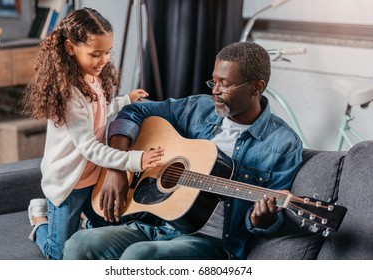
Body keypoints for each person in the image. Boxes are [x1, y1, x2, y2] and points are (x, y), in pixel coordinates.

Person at [62, 41, 303, 260]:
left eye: (225, 85)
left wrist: (260, 219)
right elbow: (134, 111)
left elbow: (271, 217)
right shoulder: (197, 108)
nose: (215, 92)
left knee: (139, 256)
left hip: (208, 243)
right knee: (79, 244)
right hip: (156, 224)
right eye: (214, 81)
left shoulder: (283, 144)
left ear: (256, 88)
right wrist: (118, 165)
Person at [21, 7, 164, 260]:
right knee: (59, 256)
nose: (104, 60)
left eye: (108, 52)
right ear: (70, 48)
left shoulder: (92, 78)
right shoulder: (69, 95)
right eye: (96, 54)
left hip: (92, 178)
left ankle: (77, 222)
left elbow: (100, 112)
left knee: (100, 235)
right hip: (69, 184)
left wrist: (125, 100)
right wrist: (135, 159)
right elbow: (90, 147)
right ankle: (39, 221)